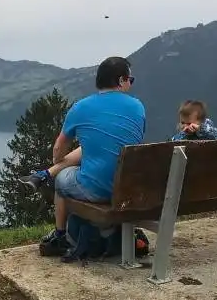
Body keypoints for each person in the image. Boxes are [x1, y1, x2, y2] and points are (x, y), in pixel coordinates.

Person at [21, 56, 146, 256]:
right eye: (130, 80)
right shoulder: (138, 107)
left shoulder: (81, 107)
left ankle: (60, 235)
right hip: (128, 189)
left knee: (62, 180)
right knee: (88, 149)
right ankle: (45, 175)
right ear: (121, 80)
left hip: (97, 189)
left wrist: (58, 163)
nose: (130, 84)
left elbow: (58, 150)